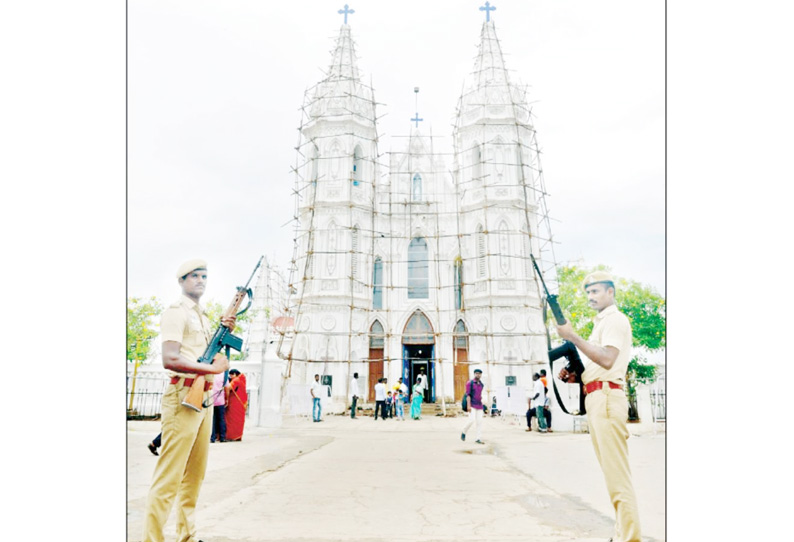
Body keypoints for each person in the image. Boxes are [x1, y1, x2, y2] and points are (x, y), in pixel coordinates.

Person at [142, 259, 235, 542]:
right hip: (183, 395)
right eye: (194, 276)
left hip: (203, 398)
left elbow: (203, 353)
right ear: (181, 281)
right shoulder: (176, 312)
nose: (200, 280)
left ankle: (187, 536)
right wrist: (212, 369)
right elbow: (170, 359)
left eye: (204, 276)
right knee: (169, 476)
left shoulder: (204, 317)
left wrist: (224, 331)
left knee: (195, 476)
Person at [557, 271, 641, 542]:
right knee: (612, 477)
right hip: (597, 397)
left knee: (618, 479)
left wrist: (574, 337)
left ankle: (630, 538)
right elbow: (599, 364)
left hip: (606, 399)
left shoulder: (615, 320)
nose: (591, 297)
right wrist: (576, 376)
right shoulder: (602, 323)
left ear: (610, 292)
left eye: (596, 291)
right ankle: (622, 535)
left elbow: (607, 359)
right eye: (588, 292)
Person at [460, 368, 485, 444]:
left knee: (479, 422)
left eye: (479, 373)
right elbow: (468, 395)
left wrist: (484, 405)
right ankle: (464, 431)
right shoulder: (470, 383)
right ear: (474, 374)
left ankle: (478, 438)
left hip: (479, 405)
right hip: (472, 404)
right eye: (477, 373)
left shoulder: (481, 384)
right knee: (471, 420)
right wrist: (468, 405)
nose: (478, 375)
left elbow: (479, 395)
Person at [224, 369, 247, 439]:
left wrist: (226, 398)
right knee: (239, 420)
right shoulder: (242, 379)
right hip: (241, 403)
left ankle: (231, 436)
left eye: (232, 375)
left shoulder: (236, 380)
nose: (231, 377)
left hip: (235, 403)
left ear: (235, 374)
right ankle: (238, 436)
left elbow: (228, 387)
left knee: (232, 419)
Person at [210, 371, 228, 443]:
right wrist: (227, 399)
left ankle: (212, 438)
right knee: (221, 419)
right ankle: (222, 437)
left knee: (212, 419)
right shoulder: (224, 375)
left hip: (210, 400)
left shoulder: (209, 372)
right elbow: (227, 388)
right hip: (220, 400)